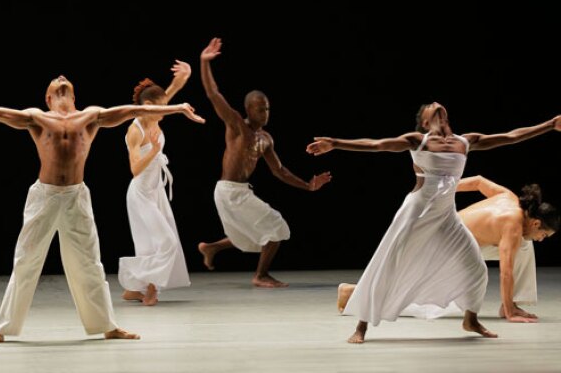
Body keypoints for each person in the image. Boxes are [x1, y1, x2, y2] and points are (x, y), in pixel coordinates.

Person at [0, 74, 205, 344]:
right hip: (44, 197)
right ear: (48, 98)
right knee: (25, 262)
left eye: (65, 83)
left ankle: (108, 327)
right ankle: (2, 329)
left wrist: (178, 108)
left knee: (90, 264)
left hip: (76, 197)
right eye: (55, 84)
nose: (61, 78)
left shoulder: (90, 116)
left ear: (74, 96)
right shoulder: (37, 117)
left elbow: (134, 110)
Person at [307, 103, 560, 343]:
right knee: (387, 266)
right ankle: (361, 326)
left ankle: (471, 320)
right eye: (431, 110)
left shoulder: (465, 141)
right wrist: (335, 143)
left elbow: (511, 136)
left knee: (477, 270)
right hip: (416, 214)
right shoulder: (418, 141)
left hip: (447, 217)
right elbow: (376, 145)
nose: (437, 105)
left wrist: (550, 124)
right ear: (426, 123)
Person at [196, 38, 331, 288]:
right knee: (277, 226)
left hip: (238, 192)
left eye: (267, 109)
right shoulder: (237, 125)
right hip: (228, 191)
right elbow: (213, 94)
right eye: (260, 109)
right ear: (248, 110)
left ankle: (211, 247)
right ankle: (260, 275)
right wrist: (205, 62)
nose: (265, 113)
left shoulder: (266, 139)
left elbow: (279, 171)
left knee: (253, 235)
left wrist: (308, 186)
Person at [336, 176, 558, 323]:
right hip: (442, 246)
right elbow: (506, 271)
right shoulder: (513, 225)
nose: (541, 240)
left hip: (465, 246)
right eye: (544, 235)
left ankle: (514, 303)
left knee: (525, 246)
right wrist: (510, 313)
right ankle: (354, 294)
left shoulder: (510, 198)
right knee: (436, 305)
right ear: (536, 223)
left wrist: (445, 188)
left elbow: (478, 181)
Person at [119, 61, 192, 306]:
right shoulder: (135, 130)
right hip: (140, 194)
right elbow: (134, 169)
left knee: (151, 244)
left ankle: (134, 288)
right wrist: (154, 151)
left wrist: (184, 76)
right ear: (149, 106)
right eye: (162, 107)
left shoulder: (154, 114)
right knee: (165, 242)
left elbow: (172, 91)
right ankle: (149, 288)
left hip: (156, 190)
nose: (166, 111)